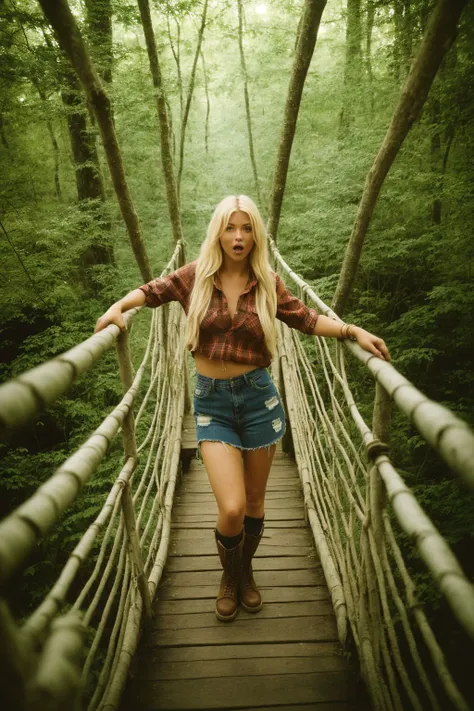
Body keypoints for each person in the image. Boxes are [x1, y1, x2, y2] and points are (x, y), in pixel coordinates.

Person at [95, 195, 390, 622]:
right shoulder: (194, 277)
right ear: (218, 231)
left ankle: (244, 572)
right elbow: (150, 292)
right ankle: (228, 575)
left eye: (247, 228)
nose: (238, 237)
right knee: (230, 507)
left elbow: (304, 317)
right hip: (212, 402)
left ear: (256, 234)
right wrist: (117, 307)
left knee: (254, 504)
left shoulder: (268, 281)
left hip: (259, 400)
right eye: (231, 228)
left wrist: (350, 330)